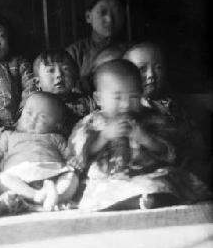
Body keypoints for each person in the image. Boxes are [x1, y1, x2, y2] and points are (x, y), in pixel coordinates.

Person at [68, 59, 211, 211]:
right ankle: (135, 200)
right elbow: (80, 152)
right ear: (98, 99)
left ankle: (150, 198)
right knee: (100, 189)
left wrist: (143, 137)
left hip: (147, 173)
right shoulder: (93, 123)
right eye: (117, 98)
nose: (126, 104)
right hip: (110, 177)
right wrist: (103, 137)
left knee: (164, 180)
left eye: (134, 97)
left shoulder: (150, 118)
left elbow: (167, 149)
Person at [124, 41, 209, 179]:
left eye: (158, 67)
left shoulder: (173, 104)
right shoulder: (131, 107)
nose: (151, 74)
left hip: (182, 160)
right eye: (142, 69)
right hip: (148, 166)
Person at [0, 92, 79, 211]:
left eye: (42, 117)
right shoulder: (9, 135)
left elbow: (69, 156)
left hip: (52, 172)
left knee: (72, 176)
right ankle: (37, 196)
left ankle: (58, 196)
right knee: (2, 179)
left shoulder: (55, 138)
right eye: (29, 113)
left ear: (57, 126)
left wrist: (73, 160)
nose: (33, 119)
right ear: (20, 114)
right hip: (19, 174)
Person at [66, 0, 127, 87]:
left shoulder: (133, 50)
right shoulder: (74, 53)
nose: (109, 19)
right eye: (103, 13)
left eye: (117, 12)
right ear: (88, 17)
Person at [34, 49, 97, 135]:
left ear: (74, 76)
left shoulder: (87, 103)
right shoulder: (34, 105)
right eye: (51, 70)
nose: (59, 74)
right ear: (38, 82)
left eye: (65, 69)